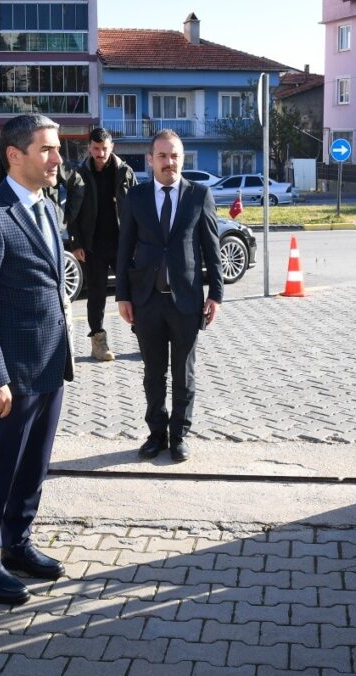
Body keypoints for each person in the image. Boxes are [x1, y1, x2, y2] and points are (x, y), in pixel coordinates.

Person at [0, 114, 75, 605]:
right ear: (15, 155)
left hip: (49, 367)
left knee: (33, 470)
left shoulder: (47, 209)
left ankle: (18, 546)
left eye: (57, 149)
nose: (57, 159)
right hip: (8, 379)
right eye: (46, 150)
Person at [116, 129, 223, 463]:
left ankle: (179, 435)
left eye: (175, 155)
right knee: (153, 373)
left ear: (182, 158)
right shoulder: (136, 197)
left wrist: (215, 294)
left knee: (184, 373)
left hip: (187, 301)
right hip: (146, 301)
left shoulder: (198, 195)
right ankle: (155, 434)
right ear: (150, 160)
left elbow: (212, 247)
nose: (169, 162)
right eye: (162, 156)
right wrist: (122, 295)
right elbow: (124, 249)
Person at [70, 128, 137, 361]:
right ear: (89, 148)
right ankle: (98, 343)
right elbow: (72, 212)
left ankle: (144, 338)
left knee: (133, 291)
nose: (101, 153)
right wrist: (76, 242)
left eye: (104, 148)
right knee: (96, 297)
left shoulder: (125, 172)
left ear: (112, 147)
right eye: (96, 149)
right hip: (92, 246)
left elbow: (137, 207)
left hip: (122, 244)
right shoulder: (79, 174)